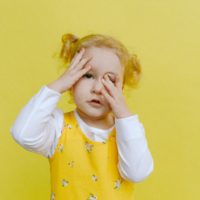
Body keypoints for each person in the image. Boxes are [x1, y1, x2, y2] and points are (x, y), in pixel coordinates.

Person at [10, 33, 154, 200]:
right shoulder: (58, 126)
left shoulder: (128, 132)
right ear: (71, 82)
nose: (98, 88)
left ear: (121, 89)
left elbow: (137, 173)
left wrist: (124, 116)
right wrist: (57, 86)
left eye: (110, 80)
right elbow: (23, 134)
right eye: (87, 75)